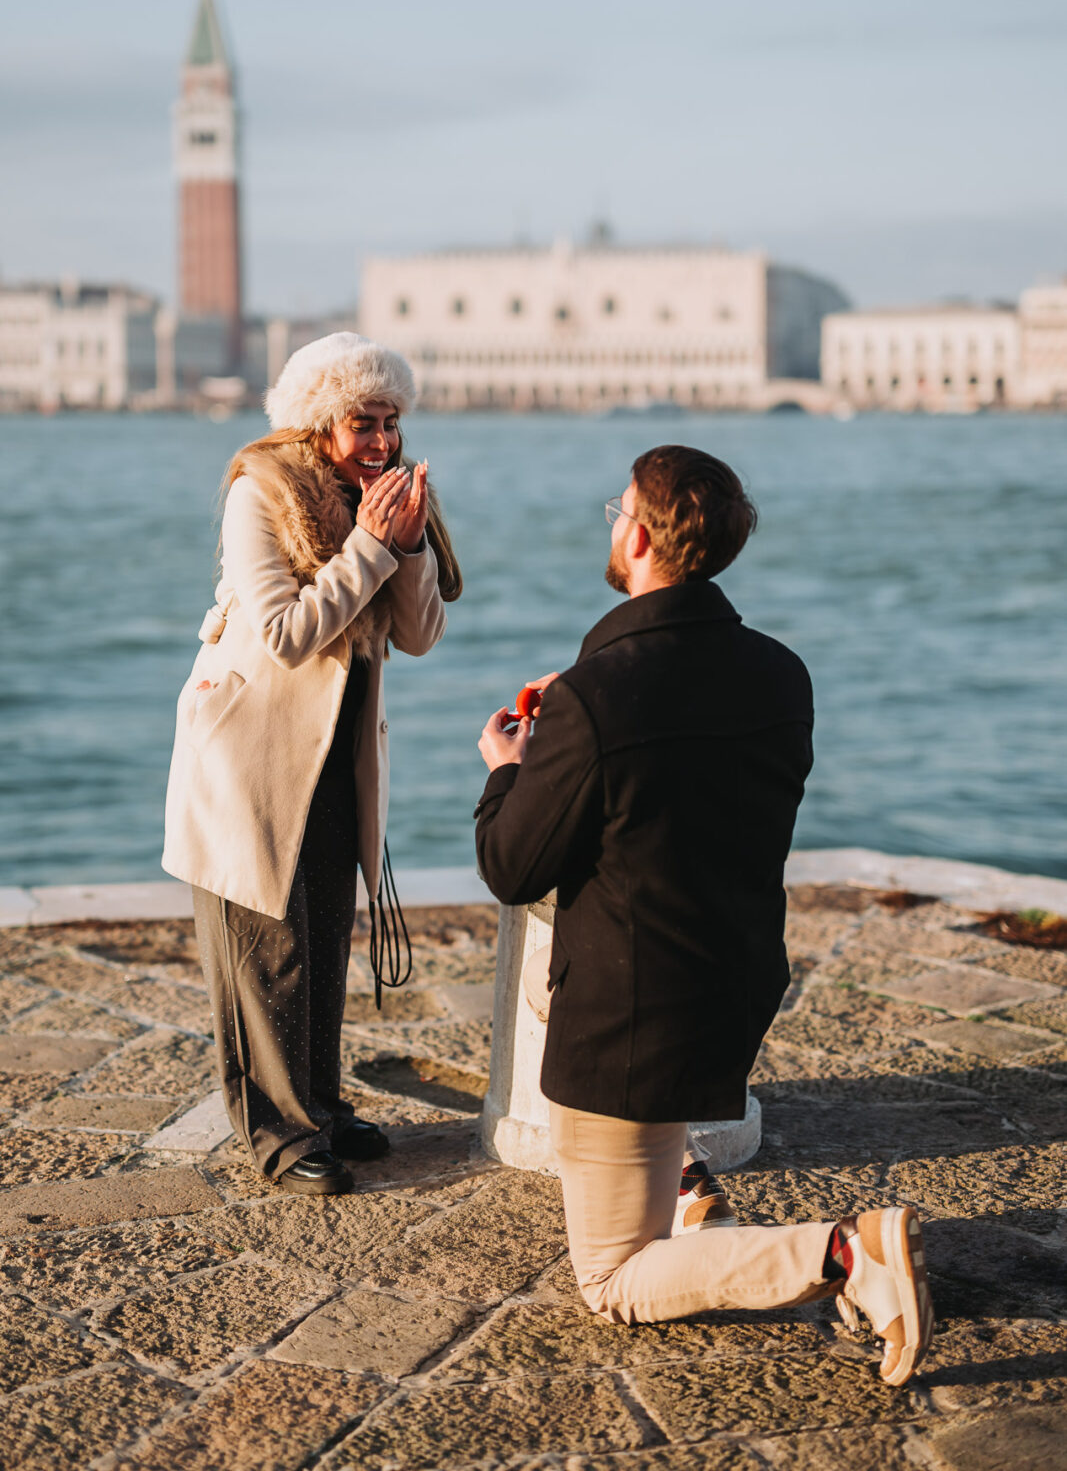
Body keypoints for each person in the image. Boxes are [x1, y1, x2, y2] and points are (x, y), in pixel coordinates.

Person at [474, 444, 933, 1386]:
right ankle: (684, 1187)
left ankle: (846, 1255)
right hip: (732, 986)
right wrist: (576, 738)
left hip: (627, 1023)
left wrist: (511, 769)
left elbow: (513, 866)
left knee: (612, 1279)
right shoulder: (780, 675)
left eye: (616, 510)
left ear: (637, 536)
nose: (612, 523)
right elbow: (683, 799)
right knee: (644, 1173)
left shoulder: (593, 700)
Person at [163, 332, 460, 1195]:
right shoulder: (260, 492)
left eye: (391, 421)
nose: (380, 440)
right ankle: (278, 1136)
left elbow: (418, 633)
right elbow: (289, 635)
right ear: (316, 419)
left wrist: (404, 548)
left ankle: (320, 1107)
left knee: (325, 935)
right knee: (264, 945)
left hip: (336, 751)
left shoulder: (390, 501)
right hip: (248, 750)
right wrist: (371, 544)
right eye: (362, 421)